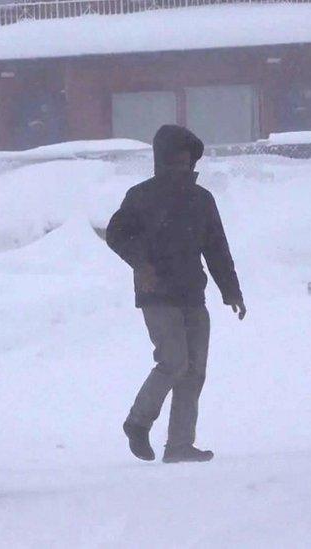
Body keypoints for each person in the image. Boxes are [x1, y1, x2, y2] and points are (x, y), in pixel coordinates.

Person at [106, 124, 246, 464]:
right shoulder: (140, 197)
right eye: (174, 162)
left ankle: (180, 445)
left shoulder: (202, 200)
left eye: (186, 163)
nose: (180, 170)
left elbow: (216, 248)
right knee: (174, 361)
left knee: (195, 370)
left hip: (192, 294)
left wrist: (231, 290)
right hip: (156, 294)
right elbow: (116, 235)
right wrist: (141, 264)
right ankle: (138, 423)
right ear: (159, 162)